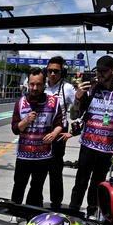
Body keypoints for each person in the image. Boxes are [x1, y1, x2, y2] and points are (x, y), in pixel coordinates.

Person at [69, 55, 113, 217]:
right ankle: (73, 212)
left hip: (107, 148)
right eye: (98, 71)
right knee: (80, 182)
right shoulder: (90, 90)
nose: (100, 74)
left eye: (104, 71)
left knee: (97, 183)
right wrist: (78, 97)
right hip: (87, 145)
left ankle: (92, 213)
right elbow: (74, 115)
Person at [10, 68, 64, 207]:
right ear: (28, 84)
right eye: (32, 84)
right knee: (19, 184)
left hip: (43, 155)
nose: (35, 88)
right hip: (24, 155)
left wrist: (53, 134)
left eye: (38, 84)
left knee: (37, 187)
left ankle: (30, 210)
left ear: (44, 84)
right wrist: (26, 121)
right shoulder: (20, 103)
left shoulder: (53, 102)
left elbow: (59, 124)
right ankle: (15, 209)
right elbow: (15, 129)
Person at [42, 56, 76, 210]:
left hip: (58, 134)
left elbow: (78, 112)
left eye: (56, 71)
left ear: (62, 72)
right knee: (38, 172)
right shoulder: (41, 86)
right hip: (41, 134)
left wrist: (73, 132)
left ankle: (56, 206)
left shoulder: (67, 88)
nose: (52, 74)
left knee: (55, 173)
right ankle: (36, 203)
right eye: (50, 71)